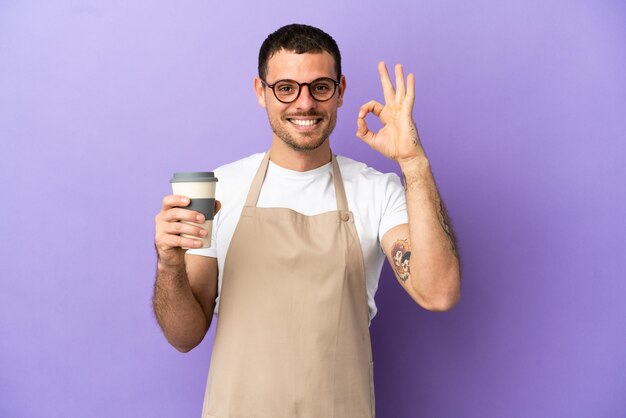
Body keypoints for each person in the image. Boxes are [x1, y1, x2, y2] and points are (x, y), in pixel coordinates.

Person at [153, 23, 460, 418]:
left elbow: (439, 292)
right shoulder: (220, 190)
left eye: (320, 87)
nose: (304, 103)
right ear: (260, 92)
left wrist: (413, 163)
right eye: (285, 88)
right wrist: (169, 263)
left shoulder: (376, 191)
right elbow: (184, 336)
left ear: (340, 91)